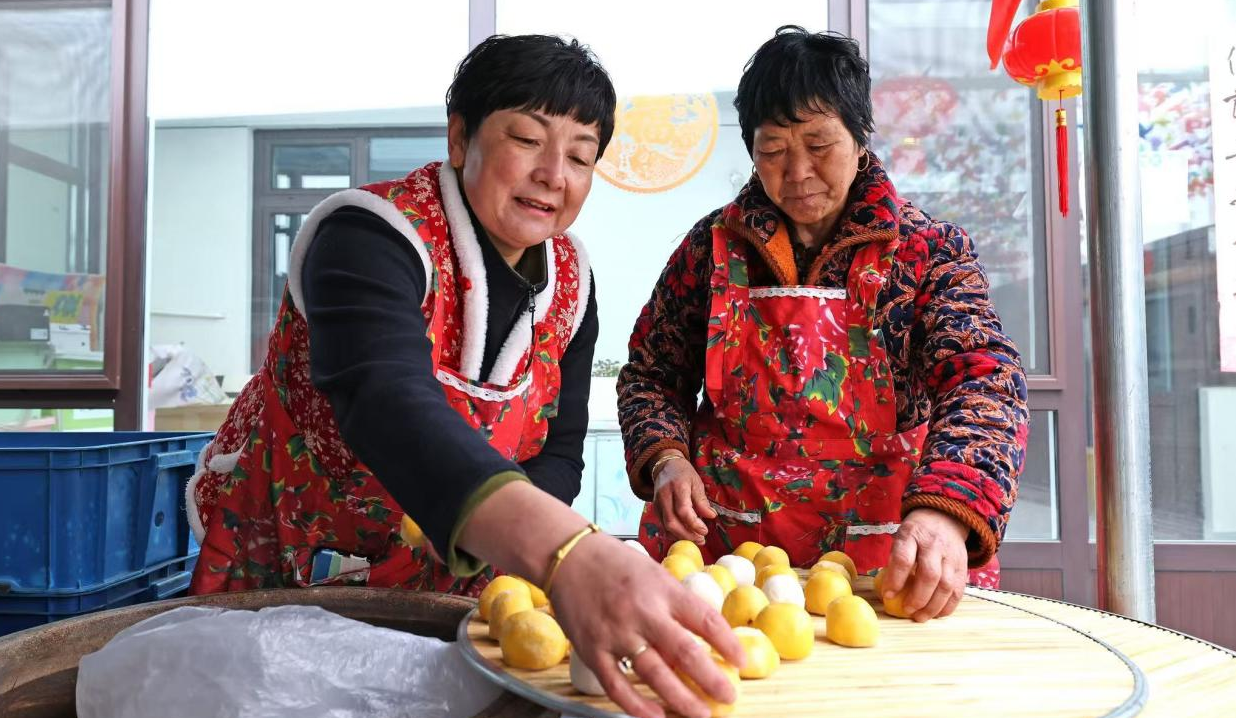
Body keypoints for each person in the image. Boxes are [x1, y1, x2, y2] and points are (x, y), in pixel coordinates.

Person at [185, 34, 741, 718]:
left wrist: (526, 570)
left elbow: (557, 449)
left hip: (460, 576)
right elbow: (386, 400)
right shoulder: (370, 234)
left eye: (578, 155)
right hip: (304, 559)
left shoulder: (570, 277)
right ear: (459, 137)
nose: (552, 174)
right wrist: (567, 553)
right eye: (527, 139)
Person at [619, 27, 1030, 623]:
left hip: (887, 554)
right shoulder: (711, 249)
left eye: (819, 143)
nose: (798, 171)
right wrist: (666, 459)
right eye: (774, 150)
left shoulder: (927, 251)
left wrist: (947, 508)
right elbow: (651, 374)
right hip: (726, 552)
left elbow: (985, 380)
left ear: (861, 140)